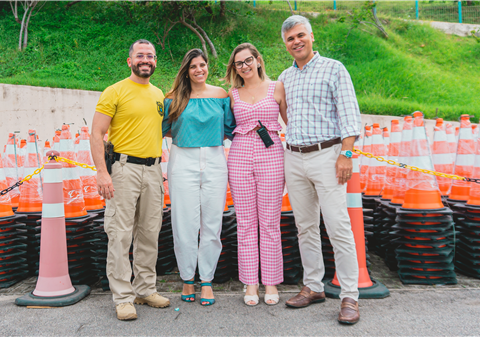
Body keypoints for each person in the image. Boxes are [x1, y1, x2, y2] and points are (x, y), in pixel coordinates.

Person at [278, 15, 362, 324]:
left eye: (300, 35)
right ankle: (313, 286)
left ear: (311, 36)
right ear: (285, 44)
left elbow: (349, 114)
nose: (296, 41)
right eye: (290, 39)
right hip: (295, 157)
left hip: (328, 156)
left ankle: (350, 295)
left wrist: (346, 154)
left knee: (338, 226)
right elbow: (289, 118)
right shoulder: (285, 76)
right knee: (305, 226)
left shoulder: (334, 69)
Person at [91, 39, 170, 321]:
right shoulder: (115, 91)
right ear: (130, 61)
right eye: (140, 56)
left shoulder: (159, 94)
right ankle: (123, 297)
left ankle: (145, 289)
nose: (145, 60)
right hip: (123, 169)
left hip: (153, 170)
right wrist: (102, 172)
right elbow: (96, 133)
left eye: (150, 56)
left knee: (149, 232)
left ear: (155, 61)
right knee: (121, 234)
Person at [162, 49, 235, 306]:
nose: (199, 70)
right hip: (183, 160)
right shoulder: (173, 98)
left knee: (212, 224)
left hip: (215, 159)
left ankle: (206, 280)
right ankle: (186, 278)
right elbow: (165, 129)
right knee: (184, 224)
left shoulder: (221, 95)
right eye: (193, 66)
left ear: (207, 67)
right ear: (186, 70)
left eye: (202, 65)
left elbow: (229, 128)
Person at [224, 43, 287, 306]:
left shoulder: (277, 87)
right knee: (246, 221)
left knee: (270, 221)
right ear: (234, 68)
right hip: (239, 156)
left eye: (248, 60)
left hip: (271, 154)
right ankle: (251, 283)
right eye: (239, 63)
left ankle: (270, 281)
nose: (244, 66)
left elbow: (291, 122)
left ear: (258, 60)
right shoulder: (233, 93)